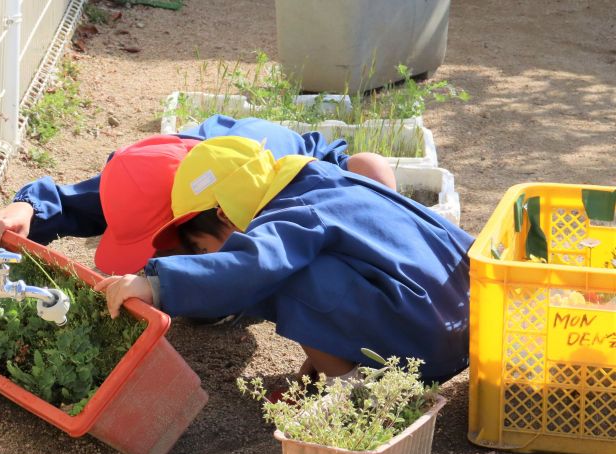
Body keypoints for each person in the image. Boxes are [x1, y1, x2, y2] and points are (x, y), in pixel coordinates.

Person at [93, 135, 474, 384]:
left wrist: (156, 284)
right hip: (469, 318)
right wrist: (330, 347)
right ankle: (346, 372)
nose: (204, 258)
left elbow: (253, 264)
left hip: (428, 347)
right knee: (309, 271)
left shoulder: (293, 213)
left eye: (201, 248)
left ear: (224, 214)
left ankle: (353, 394)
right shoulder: (325, 180)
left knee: (284, 278)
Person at [0, 115, 396, 274]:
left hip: (283, 169)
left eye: (184, 247)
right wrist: (25, 207)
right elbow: (69, 201)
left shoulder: (287, 188)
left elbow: (365, 170)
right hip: (199, 159)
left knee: (368, 172)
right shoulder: (143, 177)